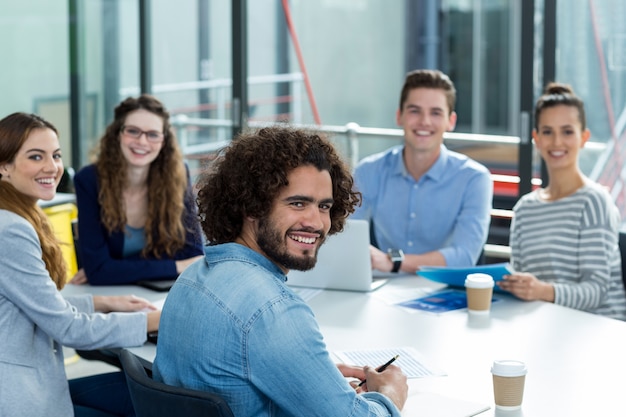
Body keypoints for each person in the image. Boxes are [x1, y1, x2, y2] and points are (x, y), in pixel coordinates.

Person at [153, 126, 408, 416]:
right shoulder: (272, 310)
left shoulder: (190, 279)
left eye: (324, 206)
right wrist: (391, 393)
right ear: (252, 206)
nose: (316, 222)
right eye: (298, 203)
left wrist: (312, 380)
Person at [0, 112, 161, 416]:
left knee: (132, 391)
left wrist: (103, 302)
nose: (52, 167)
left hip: (34, 385)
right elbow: (69, 329)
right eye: (36, 157)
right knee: (151, 399)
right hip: (19, 399)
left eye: (56, 155)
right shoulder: (10, 229)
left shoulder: (18, 215)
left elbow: (33, 304)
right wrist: (155, 321)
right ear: (4, 166)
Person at [498, 83, 626, 321]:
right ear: (536, 138)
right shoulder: (525, 210)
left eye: (567, 131)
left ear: (583, 137)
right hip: (547, 326)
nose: (557, 142)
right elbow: (522, 284)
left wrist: (543, 291)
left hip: (598, 330)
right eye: (547, 132)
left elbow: (597, 291)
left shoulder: (594, 201)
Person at [352, 69, 493, 273]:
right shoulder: (368, 171)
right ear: (399, 116)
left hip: (444, 291)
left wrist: (394, 262)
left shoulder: (474, 179)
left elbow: (464, 255)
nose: (424, 121)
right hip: (383, 289)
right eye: (414, 111)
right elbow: (343, 233)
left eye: (435, 112)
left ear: (450, 121)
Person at [71, 94, 204, 285]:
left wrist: (114, 267)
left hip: (159, 293)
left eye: (152, 134)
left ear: (163, 142)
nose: (142, 141)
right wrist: (175, 265)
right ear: (118, 134)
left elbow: (194, 255)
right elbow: (98, 270)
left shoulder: (178, 175)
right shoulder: (89, 180)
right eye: (133, 131)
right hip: (110, 296)